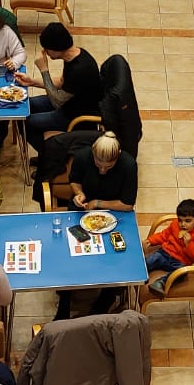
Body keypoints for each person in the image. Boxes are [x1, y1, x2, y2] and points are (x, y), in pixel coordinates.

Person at [55, 132, 139, 319]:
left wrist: (98, 204)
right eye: (98, 165)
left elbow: (127, 204)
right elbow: (74, 181)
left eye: (108, 166)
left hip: (114, 215)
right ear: (93, 153)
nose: (102, 170)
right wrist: (79, 194)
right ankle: (65, 300)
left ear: (117, 156)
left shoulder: (128, 165)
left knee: (117, 257)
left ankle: (103, 303)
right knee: (70, 252)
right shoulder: (82, 157)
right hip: (81, 211)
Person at [16, 22, 102, 151]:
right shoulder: (76, 54)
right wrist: (32, 81)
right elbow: (62, 82)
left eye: (47, 49)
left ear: (56, 48)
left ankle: (50, 158)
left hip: (74, 114)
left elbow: (57, 102)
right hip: (68, 103)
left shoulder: (79, 70)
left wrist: (44, 70)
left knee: (24, 122)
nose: (45, 52)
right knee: (26, 105)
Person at [144, 198, 194, 295]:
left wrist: (189, 244)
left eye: (188, 221)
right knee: (151, 260)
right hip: (164, 253)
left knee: (181, 274)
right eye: (180, 220)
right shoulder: (175, 225)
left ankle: (161, 283)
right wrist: (151, 240)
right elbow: (164, 235)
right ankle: (139, 273)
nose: (183, 224)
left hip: (180, 262)